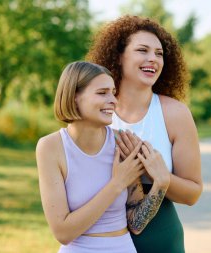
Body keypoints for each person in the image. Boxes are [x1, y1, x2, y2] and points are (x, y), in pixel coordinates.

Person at [87, 15, 203, 253]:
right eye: (142, 50)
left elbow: (192, 194)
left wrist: (158, 174)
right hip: (100, 238)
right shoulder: (96, 110)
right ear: (118, 56)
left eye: (159, 53)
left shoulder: (176, 114)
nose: (153, 58)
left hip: (160, 240)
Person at [36, 61, 170, 253]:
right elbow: (63, 233)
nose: (113, 100)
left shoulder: (122, 142)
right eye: (102, 93)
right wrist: (116, 184)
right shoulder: (50, 147)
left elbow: (136, 224)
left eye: (113, 92)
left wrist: (161, 185)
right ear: (74, 97)